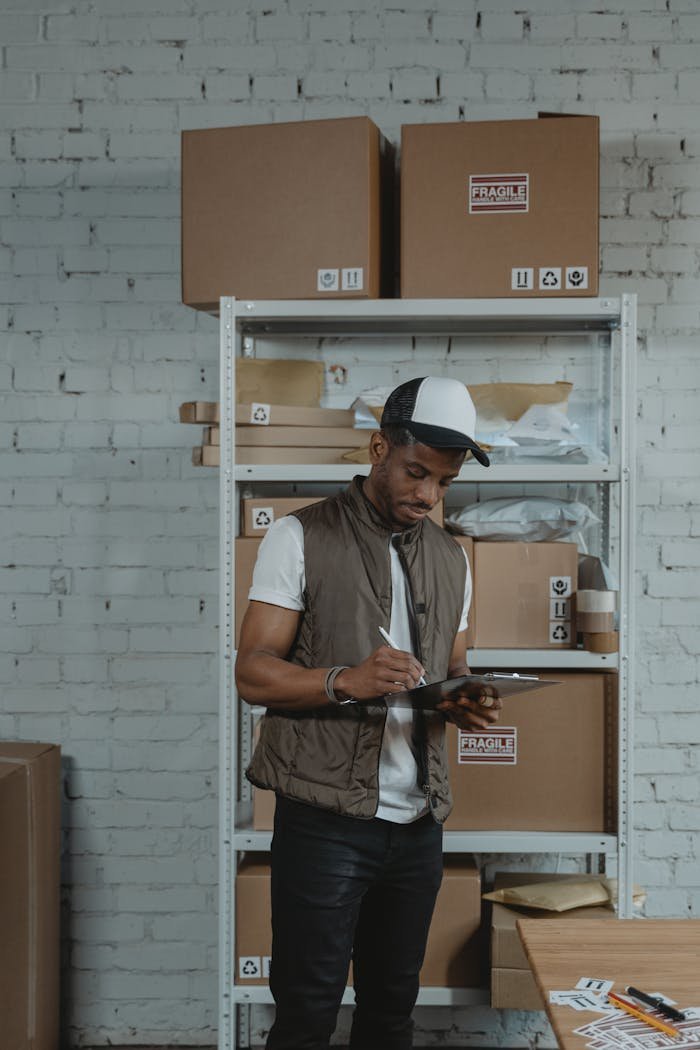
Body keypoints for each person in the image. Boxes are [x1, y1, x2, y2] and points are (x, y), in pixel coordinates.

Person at [235, 376, 503, 1050]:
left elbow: (453, 663)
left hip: (418, 824)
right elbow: (252, 672)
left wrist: (463, 695)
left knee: (391, 1014)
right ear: (379, 448)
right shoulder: (299, 537)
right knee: (306, 1014)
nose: (428, 496)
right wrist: (346, 681)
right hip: (325, 823)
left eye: (444, 482)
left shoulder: (450, 558)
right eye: (416, 472)